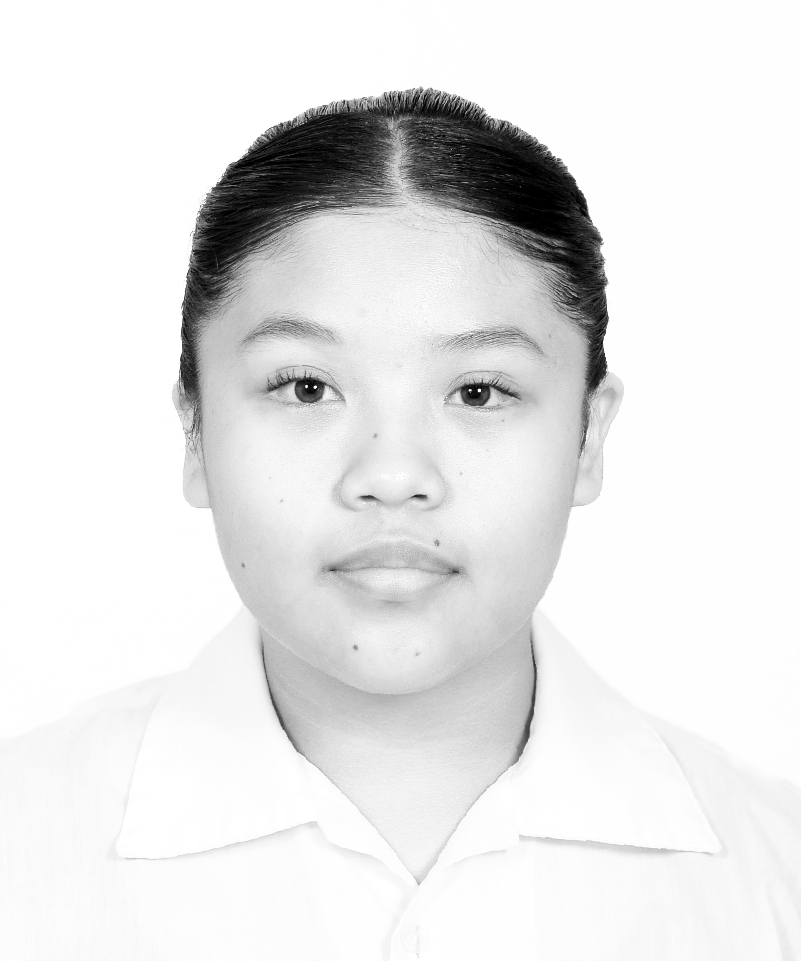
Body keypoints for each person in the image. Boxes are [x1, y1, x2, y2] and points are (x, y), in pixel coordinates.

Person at [1, 87, 799, 960]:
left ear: (587, 437)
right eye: (305, 386)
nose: (391, 475)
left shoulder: (772, 876)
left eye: (478, 392)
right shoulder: (23, 846)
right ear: (196, 430)